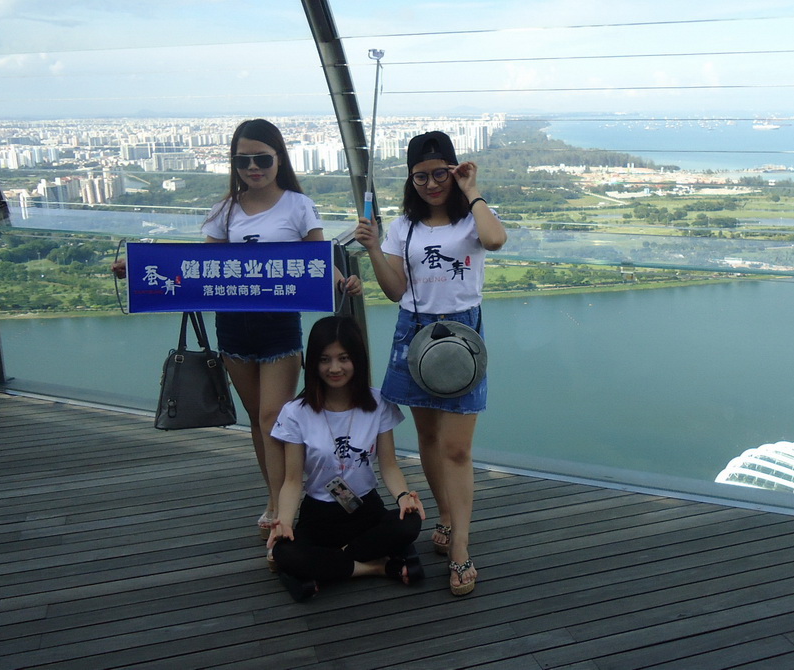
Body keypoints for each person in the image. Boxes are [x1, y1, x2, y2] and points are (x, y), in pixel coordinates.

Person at [113, 119, 362, 539]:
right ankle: (276, 497)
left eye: (261, 159)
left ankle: (283, 509)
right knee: (258, 420)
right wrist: (137, 270)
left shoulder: (299, 206)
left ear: (278, 158)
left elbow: (317, 259)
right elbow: (198, 271)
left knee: (272, 418)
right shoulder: (224, 210)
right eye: (243, 160)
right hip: (233, 328)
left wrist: (343, 281)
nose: (253, 168)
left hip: (279, 327)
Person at [355, 130, 507, 596]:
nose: (431, 184)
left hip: (462, 333)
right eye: (420, 176)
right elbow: (395, 291)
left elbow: (496, 239)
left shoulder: (471, 220)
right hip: (415, 331)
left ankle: (460, 545)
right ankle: (445, 515)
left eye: (440, 173)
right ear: (410, 179)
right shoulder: (404, 227)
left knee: (457, 448)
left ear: (454, 170)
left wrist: (471, 189)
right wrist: (374, 248)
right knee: (427, 438)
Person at [265, 315, 425, 602]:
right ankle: (377, 566)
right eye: (324, 360)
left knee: (409, 522)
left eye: (344, 358)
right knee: (283, 551)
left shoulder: (378, 403)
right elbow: (292, 480)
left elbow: (389, 466)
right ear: (313, 362)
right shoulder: (296, 412)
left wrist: (404, 497)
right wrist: (284, 521)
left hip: (366, 508)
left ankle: (331, 566)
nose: (334, 368)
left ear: (357, 360)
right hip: (319, 515)